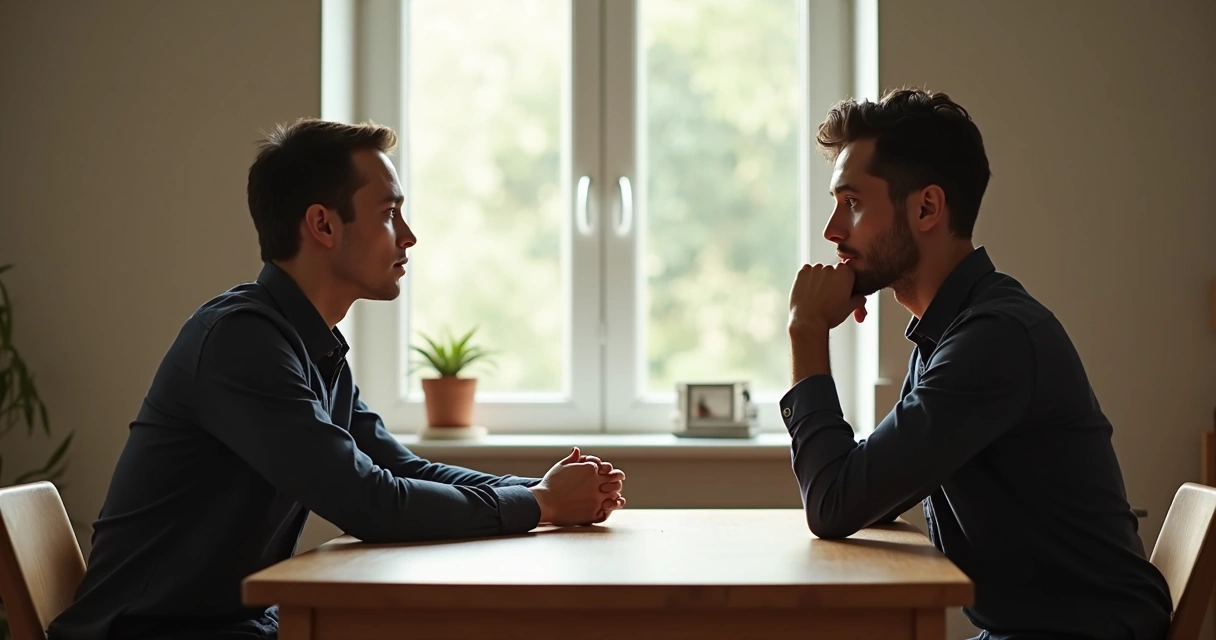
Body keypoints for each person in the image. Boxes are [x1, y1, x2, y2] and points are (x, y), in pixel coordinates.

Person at [47, 119, 627, 640]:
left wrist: (543, 490)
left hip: (230, 626)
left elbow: (401, 470)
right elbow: (370, 502)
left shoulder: (307, 345)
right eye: (388, 213)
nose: (408, 236)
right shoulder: (241, 341)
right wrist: (542, 504)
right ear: (323, 225)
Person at [781, 88, 1171, 640]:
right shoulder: (956, 332)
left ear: (926, 208)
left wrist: (806, 331)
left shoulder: (993, 340)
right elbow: (859, 493)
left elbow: (833, 502)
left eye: (853, 203)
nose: (833, 231)